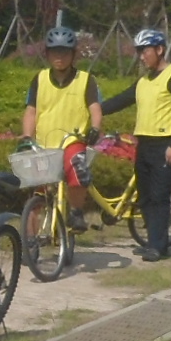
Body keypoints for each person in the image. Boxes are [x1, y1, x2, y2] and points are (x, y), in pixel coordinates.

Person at [96, 27, 171, 261]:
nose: (141, 56)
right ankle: (151, 241)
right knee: (145, 196)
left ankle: (159, 247)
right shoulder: (143, 81)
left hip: (164, 145)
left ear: (159, 49)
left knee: (160, 197)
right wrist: (94, 110)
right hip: (144, 144)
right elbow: (121, 100)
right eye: (139, 51)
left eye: (145, 51)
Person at [19, 26, 102, 214]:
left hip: (73, 140)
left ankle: (76, 212)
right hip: (44, 142)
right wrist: (26, 135)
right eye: (55, 52)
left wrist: (95, 128)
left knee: (77, 172)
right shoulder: (39, 79)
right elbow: (31, 111)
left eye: (64, 53)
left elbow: (95, 108)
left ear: (73, 55)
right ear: (47, 54)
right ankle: (31, 238)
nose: (59, 57)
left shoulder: (86, 80)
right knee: (37, 191)